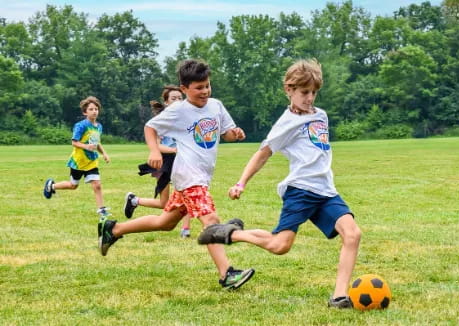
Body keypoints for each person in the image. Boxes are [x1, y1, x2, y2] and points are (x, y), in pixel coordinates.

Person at [197, 59, 361, 307]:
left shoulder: (321, 115)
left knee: (353, 234)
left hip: (326, 191)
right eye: (304, 92)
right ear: (289, 90)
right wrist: (241, 183)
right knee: (280, 245)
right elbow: (263, 153)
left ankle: (339, 297)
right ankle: (231, 233)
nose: (310, 98)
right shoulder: (286, 123)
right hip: (301, 191)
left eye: (314, 92)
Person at [98, 59, 255, 290]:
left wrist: (236, 134)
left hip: (199, 175)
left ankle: (113, 229)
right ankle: (227, 275)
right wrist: (154, 150)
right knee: (210, 220)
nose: (205, 91)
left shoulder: (216, 106)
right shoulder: (178, 110)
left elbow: (226, 134)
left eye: (207, 86)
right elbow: (150, 127)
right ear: (184, 89)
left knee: (166, 222)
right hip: (189, 176)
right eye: (199, 87)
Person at [124, 85, 193, 238]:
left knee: (188, 195)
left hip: (183, 162)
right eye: (173, 98)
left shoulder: (185, 120)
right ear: (166, 103)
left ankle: (185, 230)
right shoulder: (161, 122)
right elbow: (156, 145)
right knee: (164, 203)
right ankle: (134, 200)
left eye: (180, 98)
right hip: (165, 163)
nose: (177, 101)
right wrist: (174, 150)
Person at [43, 96, 111, 217]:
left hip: (91, 161)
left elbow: (96, 143)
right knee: (73, 185)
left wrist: (104, 153)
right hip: (79, 161)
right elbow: (74, 142)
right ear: (85, 112)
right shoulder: (81, 126)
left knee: (97, 185)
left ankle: (102, 210)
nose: (94, 111)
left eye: (96, 109)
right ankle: (51, 186)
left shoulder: (99, 126)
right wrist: (86, 147)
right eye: (91, 109)